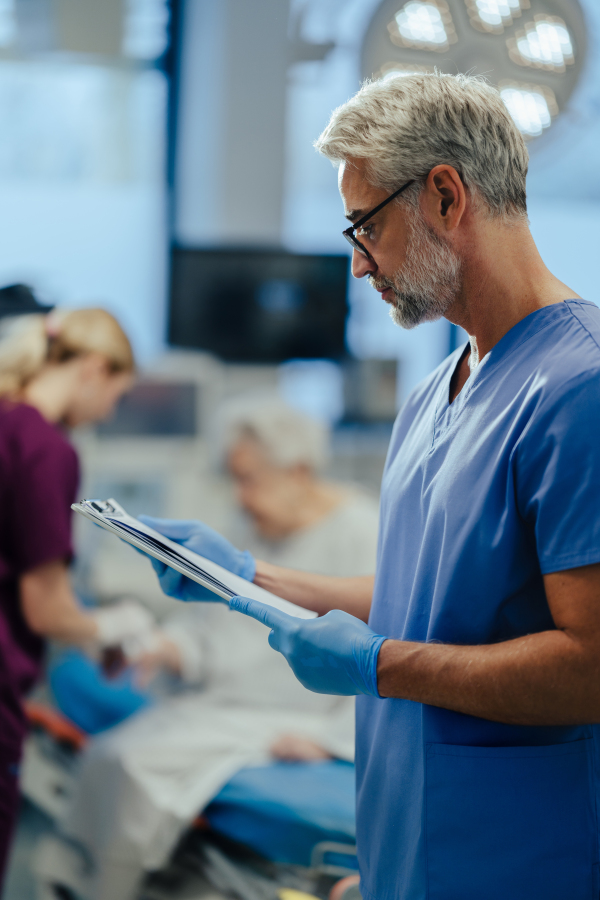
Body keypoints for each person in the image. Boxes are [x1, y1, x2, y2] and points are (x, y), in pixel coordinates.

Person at [142, 72, 600, 900]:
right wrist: (249, 578)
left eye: (367, 226)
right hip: (405, 849)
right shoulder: (436, 393)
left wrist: (381, 667)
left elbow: (591, 664)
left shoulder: (581, 388)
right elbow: (432, 598)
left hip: (521, 861)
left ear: (446, 197)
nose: (358, 265)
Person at [55, 400, 379, 900]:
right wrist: (169, 648)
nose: (240, 497)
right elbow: (214, 630)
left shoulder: (361, 531)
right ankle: (80, 877)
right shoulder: (259, 528)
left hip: (301, 717)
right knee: (111, 755)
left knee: (129, 763)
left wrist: (333, 741)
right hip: (228, 704)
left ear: (297, 471)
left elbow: (385, 655)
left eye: (248, 480)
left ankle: (102, 887)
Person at [0, 308, 155, 890]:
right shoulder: (46, 448)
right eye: (116, 393)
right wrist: (114, 627)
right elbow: (46, 609)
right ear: (92, 369)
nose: (110, 411)